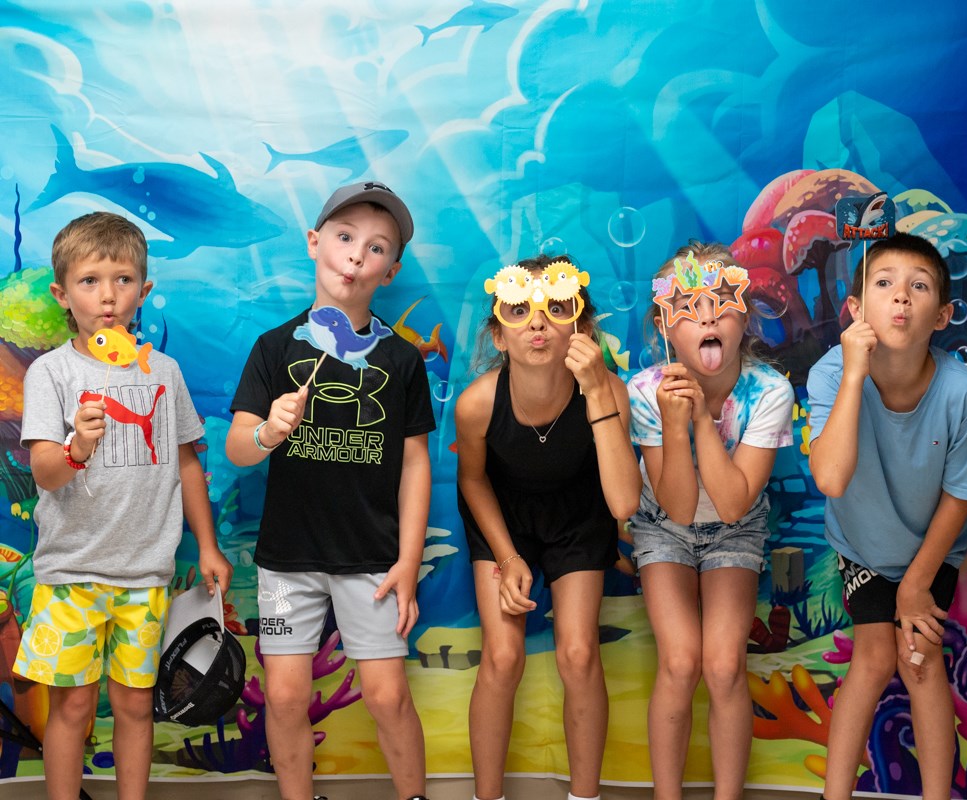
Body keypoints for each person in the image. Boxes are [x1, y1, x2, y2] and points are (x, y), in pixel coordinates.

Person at [225, 182, 433, 800]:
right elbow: (236, 449)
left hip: (372, 557)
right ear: (315, 243)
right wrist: (268, 430)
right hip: (289, 558)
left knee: (387, 694)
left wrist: (408, 560)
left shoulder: (401, 360)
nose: (355, 256)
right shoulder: (274, 347)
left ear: (389, 270)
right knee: (285, 696)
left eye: (375, 248)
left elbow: (416, 464)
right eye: (343, 239)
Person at [15, 211, 233, 800]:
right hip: (71, 576)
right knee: (73, 709)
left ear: (145, 290)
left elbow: (188, 462)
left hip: (144, 575)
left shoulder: (165, 372)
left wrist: (208, 546)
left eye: (122, 279)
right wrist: (78, 445)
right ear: (62, 294)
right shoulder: (50, 374)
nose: (108, 296)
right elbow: (44, 472)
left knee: (136, 708)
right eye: (90, 281)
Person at [806, 232, 967, 800]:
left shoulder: (963, 391)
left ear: (943, 315)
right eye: (883, 285)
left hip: (931, 546)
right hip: (861, 543)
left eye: (919, 286)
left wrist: (915, 583)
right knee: (874, 656)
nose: (901, 298)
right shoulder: (832, 374)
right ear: (856, 311)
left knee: (919, 658)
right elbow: (831, 479)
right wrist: (856, 374)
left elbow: (962, 495)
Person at [457, 253, 641, 800]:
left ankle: (585, 795)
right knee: (503, 654)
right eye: (520, 311)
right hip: (503, 515)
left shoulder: (610, 390)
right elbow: (472, 481)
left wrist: (598, 391)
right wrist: (508, 558)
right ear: (498, 335)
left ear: (581, 328)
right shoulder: (476, 404)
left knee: (579, 654)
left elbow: (623, 501)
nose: (538, 323)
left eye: (557, 308)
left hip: (581, 514)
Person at [626, 242, 793, 800]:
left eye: (722, 302)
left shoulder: (770, 390)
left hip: (734, 526)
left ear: (746, 317)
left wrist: (699, 416)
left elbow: (731, 505)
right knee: (679, 661)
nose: (706, 316)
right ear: (665, 326)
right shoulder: (646, 391)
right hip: (662, 525)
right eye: (687, 305)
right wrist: (675, 422)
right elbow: (674, 506)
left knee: (723, 668)